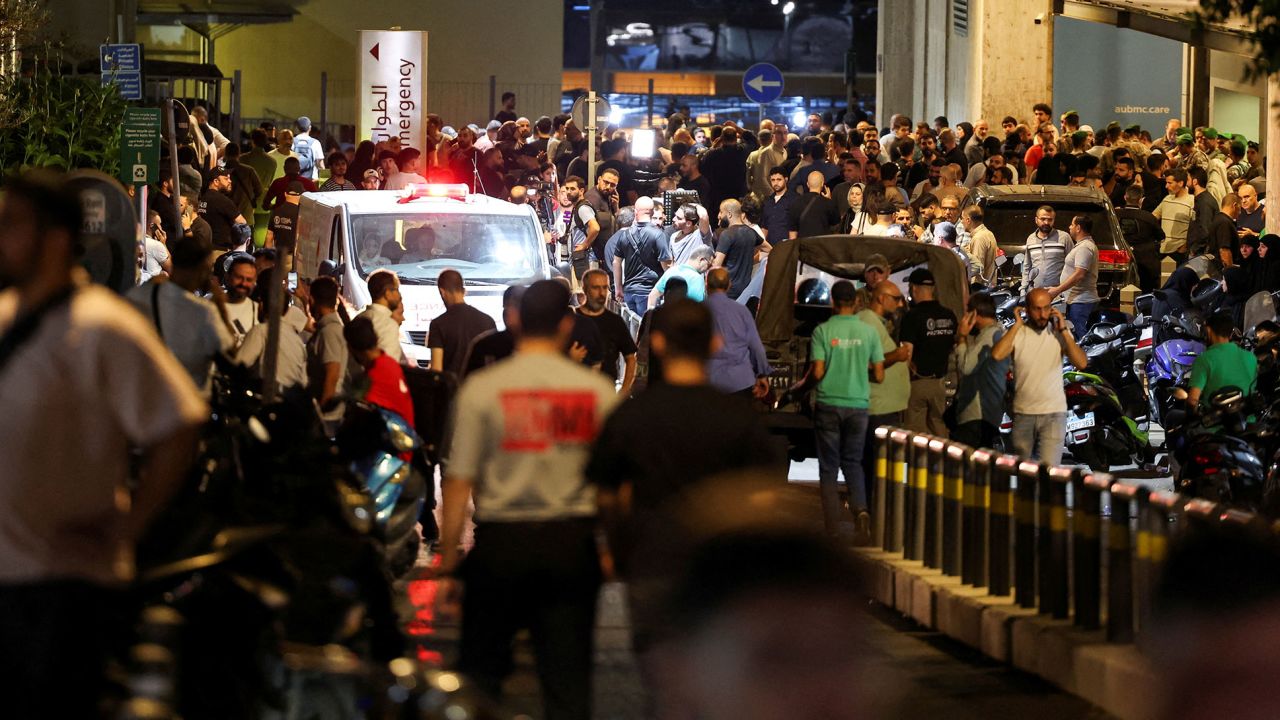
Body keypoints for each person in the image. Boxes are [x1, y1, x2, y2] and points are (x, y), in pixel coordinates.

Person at [0, 171, 206, 718]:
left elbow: (180, 427)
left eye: (11, 225)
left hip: (60, 593)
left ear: (57, 239)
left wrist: (127, 529)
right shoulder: (3, 319)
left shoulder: (104, 328)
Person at [438, 280, 618, 719]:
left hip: (501, 545)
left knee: (480, 681)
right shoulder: (596, 395)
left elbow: (458, 482)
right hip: (570, 546)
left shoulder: (482, 390)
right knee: (567, 679)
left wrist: (447, 562)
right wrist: (609, 548)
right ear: (566, 324)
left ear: (516, 321)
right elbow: (613, 486)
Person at [787, 280, 884, 537]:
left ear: (832, 301)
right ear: (855, 302)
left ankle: (832, 527)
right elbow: (880, 374)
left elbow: (817, 371)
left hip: (829, 403)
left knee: (829, 467)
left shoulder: (823, 331)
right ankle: (861, 510)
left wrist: (799, 389)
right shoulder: (869, 332)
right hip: (859, 405)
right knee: (853, 461)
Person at [990, 288, 1088, 466]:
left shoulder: (1058, 333)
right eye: (1037, 309)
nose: (1043, 314)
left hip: (1053, 414)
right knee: (1025, 472)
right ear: (1027, 309)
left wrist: (1064, 331)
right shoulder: (1017, 334)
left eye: (1046, 308)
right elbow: (997, 355)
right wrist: (1017, 326)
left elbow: (1081, 363)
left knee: (1048, 471)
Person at [127, 230, 233, 393]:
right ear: (202, 269)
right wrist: (221, 306)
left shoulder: (138, 296)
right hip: (187, 405)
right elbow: (231, 357)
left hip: (144, 399)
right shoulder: (203, 312)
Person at [898, 269, 957, 437]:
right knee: (939, 428)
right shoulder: (949, 315)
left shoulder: (912, 316)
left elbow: (906, 353)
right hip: (940, 383)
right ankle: (940, 462)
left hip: (917, 382)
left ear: (913, 288)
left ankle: (919, 463)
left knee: (916, 435)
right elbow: (955, 346)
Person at [950, 293, 1009, 449]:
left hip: (977, 413)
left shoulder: (988, 337)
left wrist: (961, 338)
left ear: (974, 313)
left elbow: (966, 367)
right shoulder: (999, 332)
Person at [235, 267, 308, 392]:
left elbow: (239, 366)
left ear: (261, 305)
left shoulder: (261, 331)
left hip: (267, 401)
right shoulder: (297, 342)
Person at [704, 267, 771, 397]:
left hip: (706, 382)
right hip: (739, 382)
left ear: (707, 285)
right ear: (729, 285)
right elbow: (756, 347)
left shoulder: (697, 311)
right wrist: (762, 374)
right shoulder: (742, 311)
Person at [578, 268, 638, 395]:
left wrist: (624, 390)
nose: (601, 293)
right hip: (578, 391)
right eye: (596, 288)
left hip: (606, 391)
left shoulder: (615, 321)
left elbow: (631, 358)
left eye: (605, 288)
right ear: (585, 289)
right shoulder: (572, 319)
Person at [427, 269, 496, 378]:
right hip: (481, 390)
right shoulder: (488, 321)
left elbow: (437, 370)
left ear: (442, 292)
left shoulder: (438, 324)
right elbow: (493, 365)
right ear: (463, 291)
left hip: (453, 392)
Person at [611, 196, 672, 315]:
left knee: (631, 330)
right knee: (647, 328)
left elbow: (616, 262)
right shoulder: (658, 234)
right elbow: (667, 266)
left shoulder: (625, 234)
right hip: (649, 292)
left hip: (629, 291)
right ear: (652, 212)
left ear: (635, 212)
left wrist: (618, 288)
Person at [1187, 311, 1258, 408]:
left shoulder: (1204, 360)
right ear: (1230, 333)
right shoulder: (1251, 357)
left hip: (1217, 422)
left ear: (1208, 330)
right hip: (1249, 420)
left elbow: (1192, 401)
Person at [1050, 214, 1100, 340]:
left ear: (1078, 228)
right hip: (1077, 301)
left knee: (1082, 339)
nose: (1069, 227)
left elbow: (1079, 274)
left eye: (1072, 224)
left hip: (1082, 302)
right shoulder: (1081, 246)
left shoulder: (1085, 248)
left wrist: (1057, 290)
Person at [307, 276, 346, 431]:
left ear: (312, 300)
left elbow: (332, 375)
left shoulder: (329, 332)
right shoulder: (329, 327)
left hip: (328, 418)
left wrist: (320, 414)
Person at [462, 285, 522, 378]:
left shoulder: (485, 344)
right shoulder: (485, 345)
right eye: (506, 307)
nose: (508, 312)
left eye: (515, 306)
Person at [714, 199, 768, 301]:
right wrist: (750, 261)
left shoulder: (726, 234)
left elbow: (716, 266)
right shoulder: (752, 232)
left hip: (727, 291)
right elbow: (769, 250)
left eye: (721, 212)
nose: (718, 216)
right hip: (745, 291)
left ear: (729, 214)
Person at [1115, 184, 1165, 290]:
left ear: (1125, 197)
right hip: (1146, 266)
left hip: (1119, 261)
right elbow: (1161, 237)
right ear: (1141, 200)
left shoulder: (1114, 216)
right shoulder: (1149, 218)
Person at [356, 269, 405, 364]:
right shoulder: (387, 324)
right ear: (388, 294)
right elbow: (389, 366)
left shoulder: (359, 318)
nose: (399, 295)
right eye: (397, 289)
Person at [1023, 205, 1073, 292]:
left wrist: (1066, 289)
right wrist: (1023, 289)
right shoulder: (1030, 239)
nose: (1046, 222)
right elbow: (1027, 266)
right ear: (1036, 220)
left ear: (1054, 220)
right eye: (1043, 219)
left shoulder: (1064, 237)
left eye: (1050, 219)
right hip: (1036, 292)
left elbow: (1073, 265)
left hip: (1058, 293)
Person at [198, 167, 249, 251]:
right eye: (226, 179)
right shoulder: (222, 200)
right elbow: (242, 223)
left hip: (207, 249)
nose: (230, 181)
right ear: (216, 182)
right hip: (221, 250)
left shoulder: (203, 198)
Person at [1153, 167, 1195, 265]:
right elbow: (1153, 217)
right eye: (1166, 183)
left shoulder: (1192, 201)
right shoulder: (1167, 198)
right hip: (1162, 250)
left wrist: (1183, 248)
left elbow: (1194, 228)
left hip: (1178, 253)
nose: (1166, 186)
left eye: (1170, 183)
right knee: (1164, 280)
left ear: (1180, 183)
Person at [562, 175, 599, 282]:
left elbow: (595, 228)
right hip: (580, 260)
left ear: (581, 191)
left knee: (583, 294)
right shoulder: (578, 207)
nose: (568, 192)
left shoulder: (583, 208)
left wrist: (585, 244)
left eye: (572, 189)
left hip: (585, 260)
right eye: (567, 188)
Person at [788, 170, 840, 240]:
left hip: (803, 246)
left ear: (807, 184)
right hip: (822, 247)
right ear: (822, 184)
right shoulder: (828, 203)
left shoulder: (796, 202)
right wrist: (829, 200)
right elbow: (836, 226)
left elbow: (792, 234)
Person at [221, 252, 259, 343]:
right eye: (239, 277)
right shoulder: (210, 306)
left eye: (249, 280)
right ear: (227, 277)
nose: (243, 283)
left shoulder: (258, 311)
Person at [265, 180, 302, 264]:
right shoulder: (300, 214)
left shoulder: (276, 211)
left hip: (277, 256)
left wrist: (268, 258)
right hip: (293, 258)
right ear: (300, 195)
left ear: (285, 194)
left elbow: (269, 237)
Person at [962, 205, 997, 287]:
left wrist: (973, 290)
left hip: (981, 288)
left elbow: (977, 270)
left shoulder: (979, 238)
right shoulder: (988, 233)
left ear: (968, 220)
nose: (961, 221)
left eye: (962, 218)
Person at [761, 167, 798, 243]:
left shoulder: (794, 199)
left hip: (786, 246)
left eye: (779, 179)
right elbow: (765, 227)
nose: (776, 183)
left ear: (786, 179)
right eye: (773, 180)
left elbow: (796, 226)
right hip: (769, 247)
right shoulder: (768, 201)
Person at [1210, 193, 1242, 267]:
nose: (1240, 212)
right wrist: (1230, 272)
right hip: (1222, 270)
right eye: (1240, 208)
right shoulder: (1224, 223)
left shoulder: (1219, 219)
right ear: (1235, 205)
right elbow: (1224, 250)